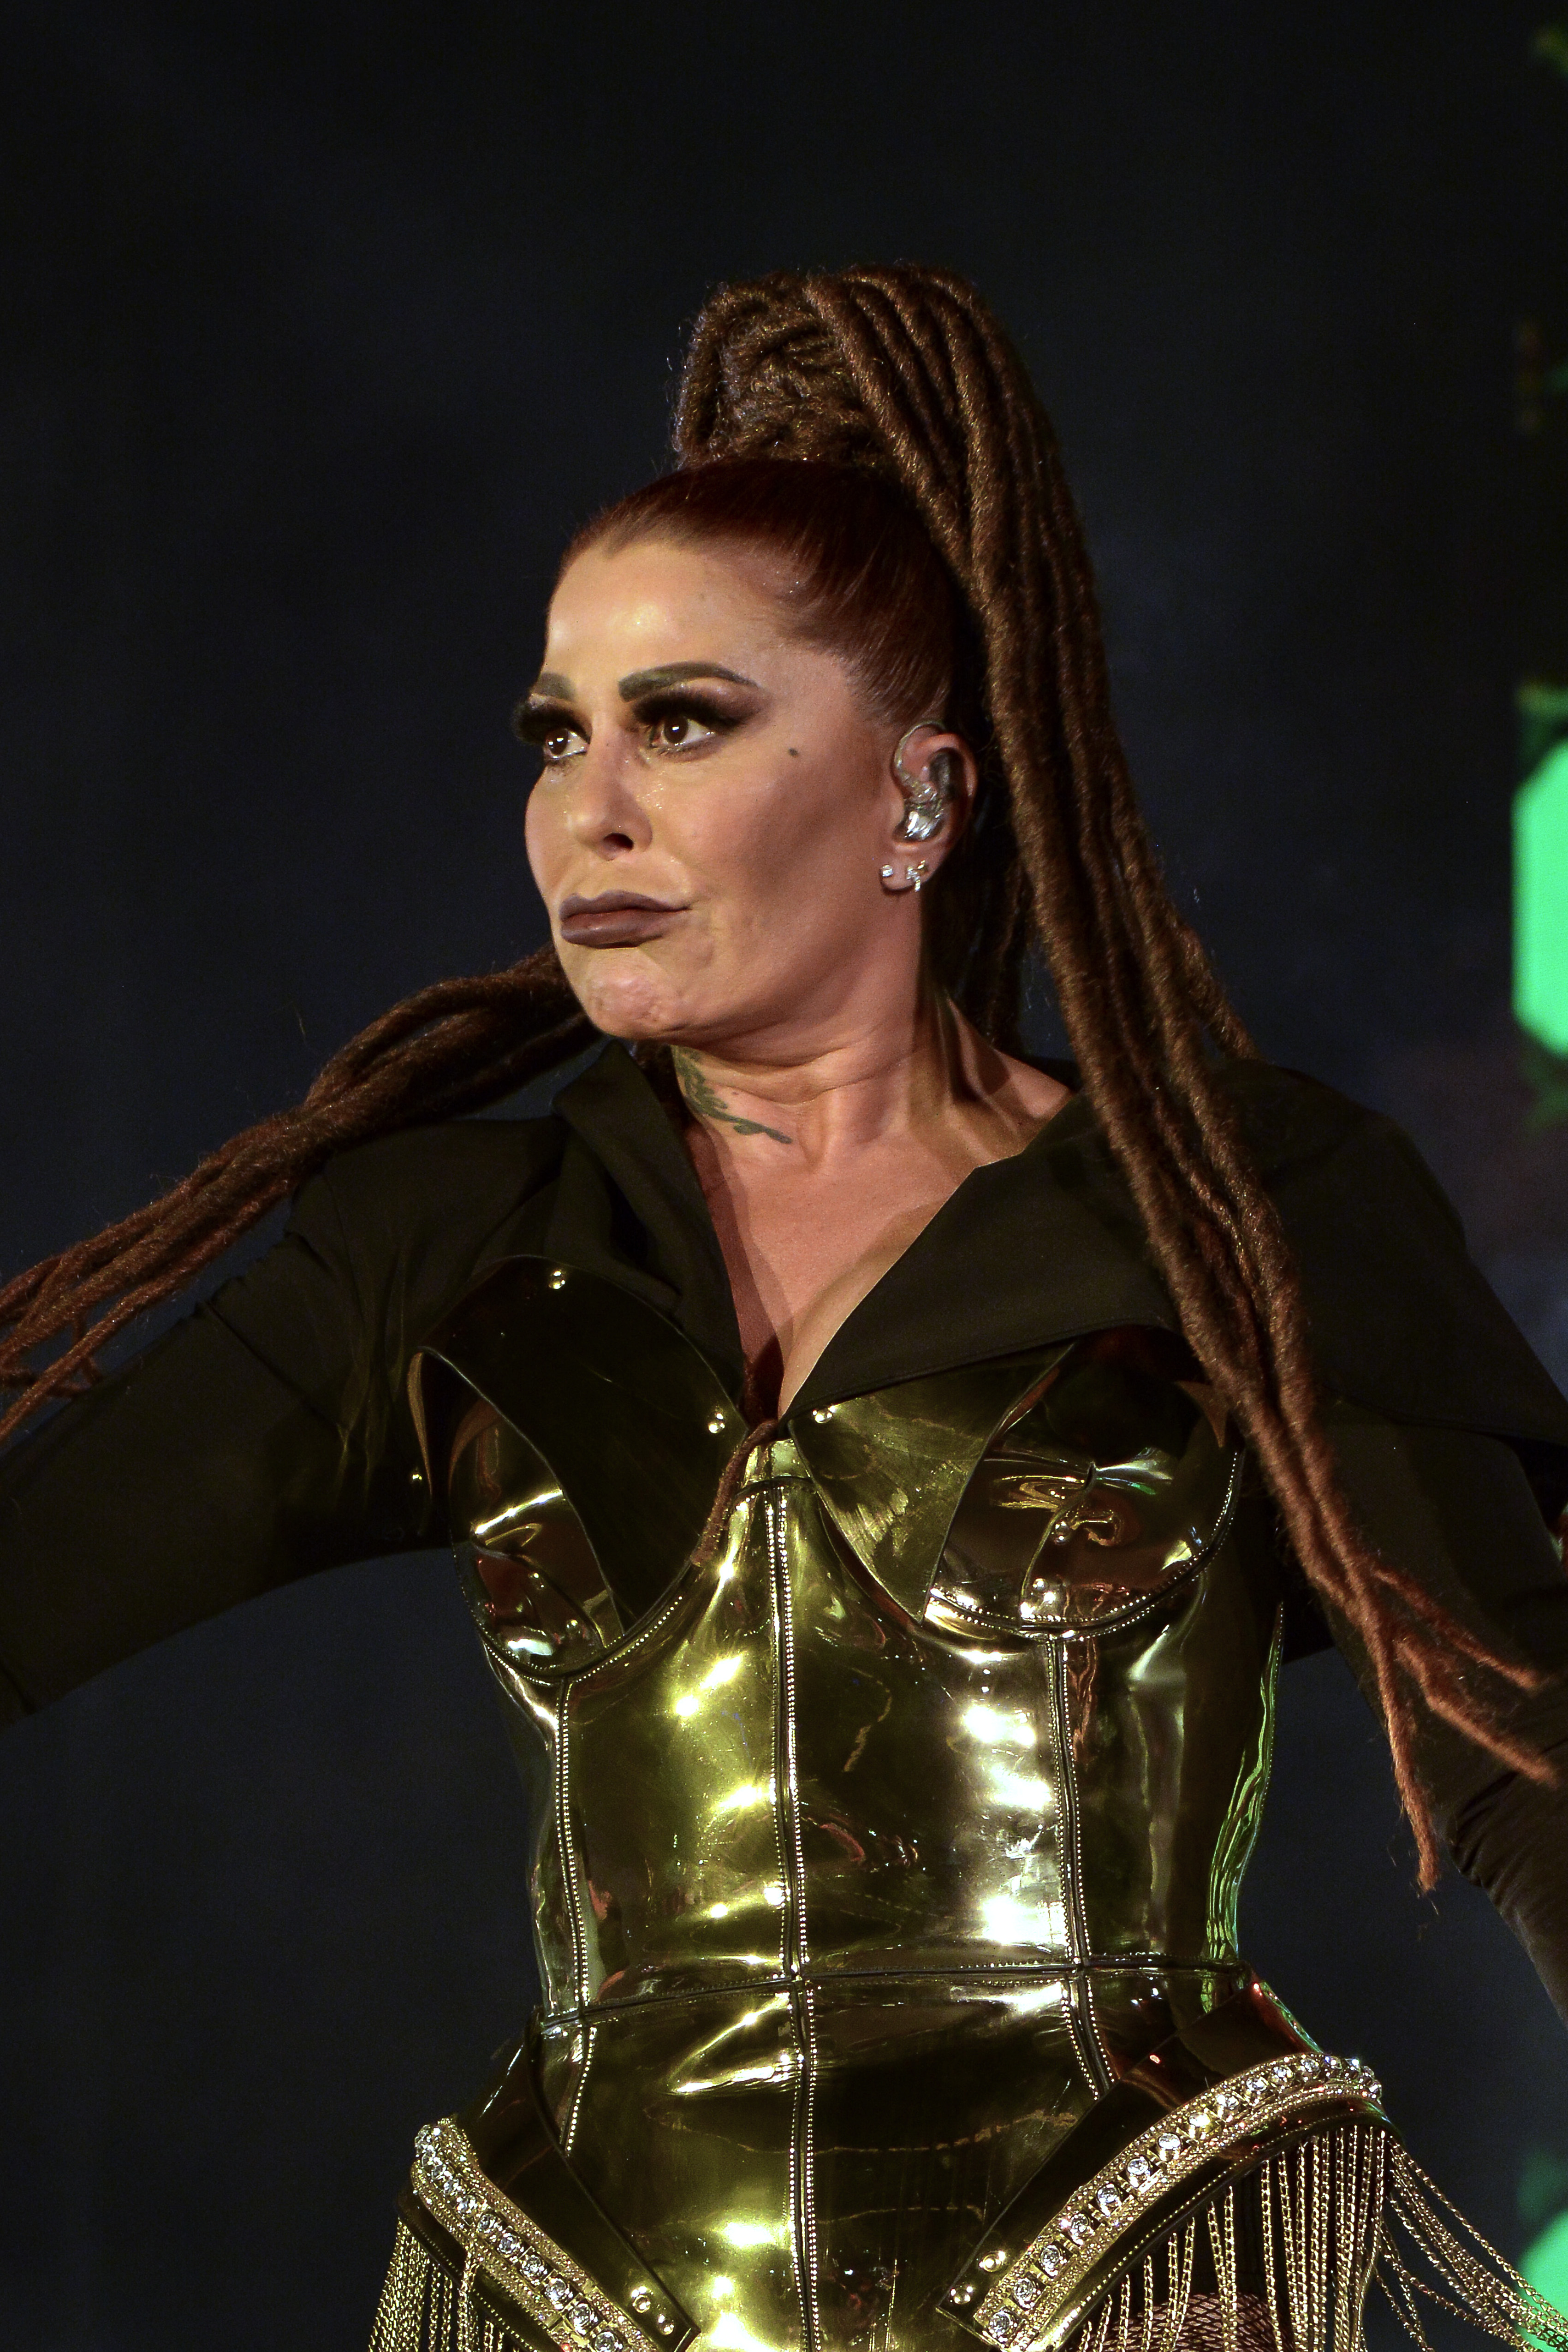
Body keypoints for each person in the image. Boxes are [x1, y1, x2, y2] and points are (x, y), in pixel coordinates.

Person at [2, 263, 1566, 2352]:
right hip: (581, 2294)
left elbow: (1519, 1757)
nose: (591, 806)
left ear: (918, 794)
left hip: (1125, 2289)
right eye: (557, 734)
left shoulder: (1239, 1206)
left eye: (683, 722)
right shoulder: (463, 1243)